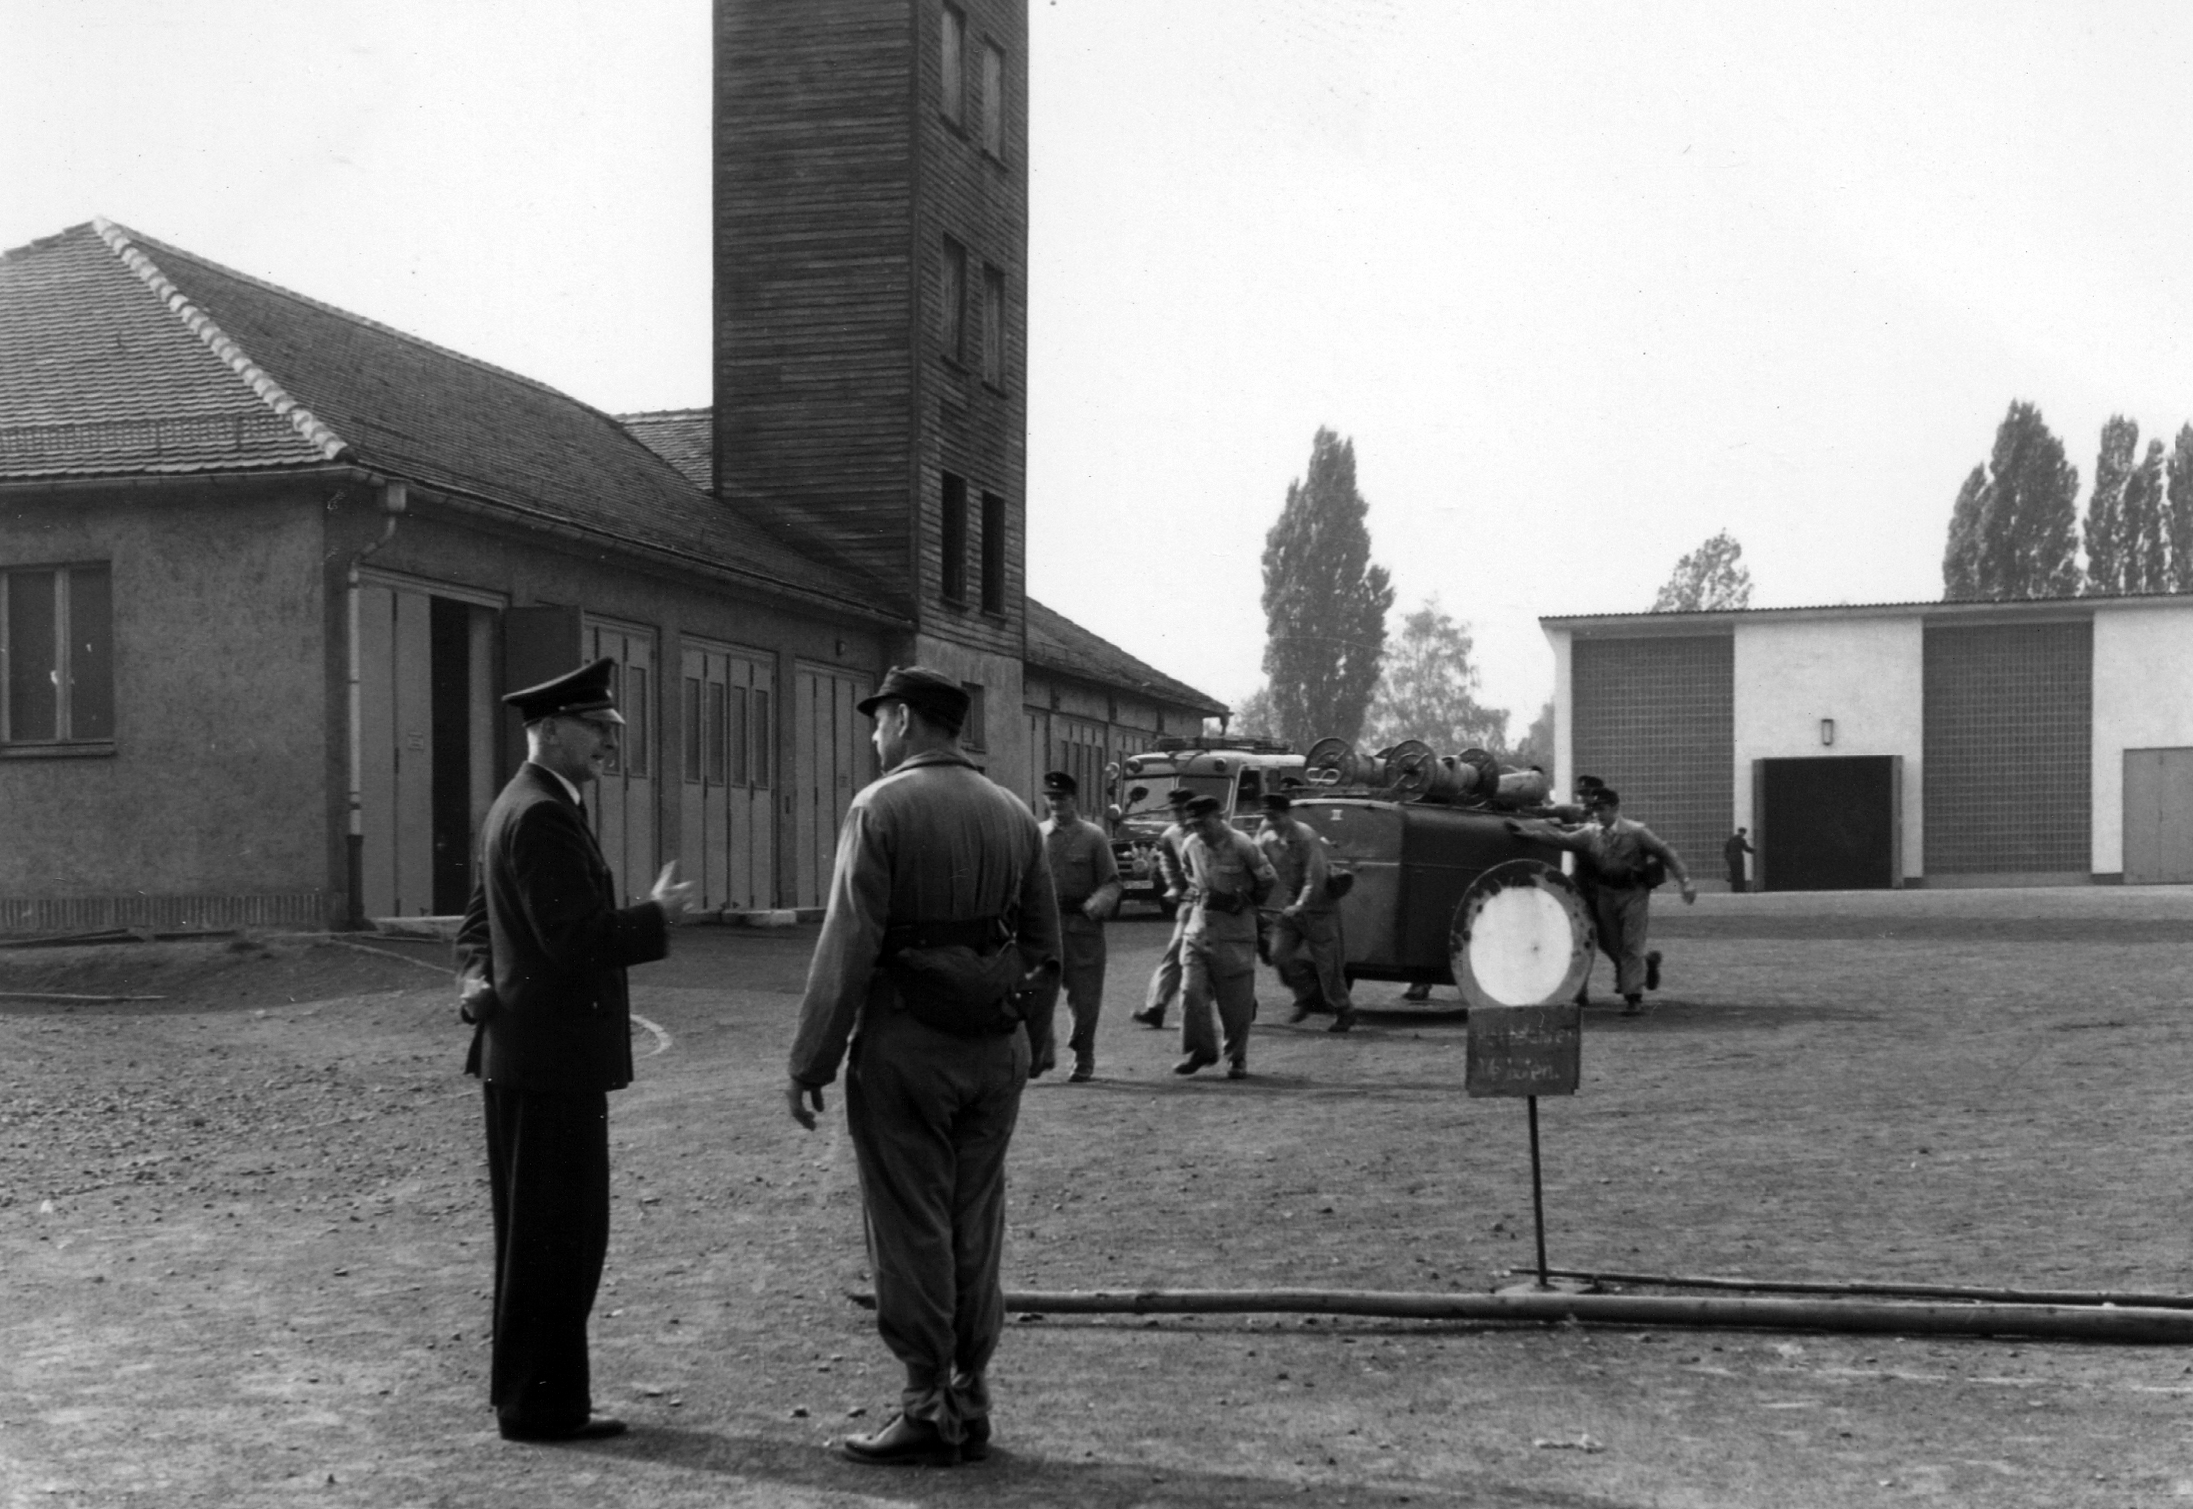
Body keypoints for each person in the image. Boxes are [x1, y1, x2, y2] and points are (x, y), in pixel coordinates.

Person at [784, 666, 1060, 1467]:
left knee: (910, 1226)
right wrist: (1032, 1040)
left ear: (904, 719)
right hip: (994, 1050)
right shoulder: (1015, 815)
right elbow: (1046, 945)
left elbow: (849, 944)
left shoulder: (881, 807)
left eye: (878, 720)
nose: (873, 735)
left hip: (908, 1046)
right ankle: (970, 1399)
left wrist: (811, 1059)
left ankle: (921, 1404)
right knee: (977, 1221)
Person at [455, 656, 693, 1443]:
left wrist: (475, 977)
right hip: (549, 1062)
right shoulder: (543, 814)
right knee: (558, 1237)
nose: (607, 744)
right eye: (595, 729)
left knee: (541, 1235)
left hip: (527, 1058)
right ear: (551, 729)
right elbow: (572, 938)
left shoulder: (517, 805)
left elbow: (475, 926)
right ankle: (542, 1406)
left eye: (610, 730)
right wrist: (653, 917)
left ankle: (533, 1397)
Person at [1508, 786, 1694, 1015]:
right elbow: (1560, 839)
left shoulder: (1637, 832)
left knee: (1631, 944)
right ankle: (1645, 969)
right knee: (1612, 944)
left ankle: (1633, 998)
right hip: (1605, 894)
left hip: (1633, 893)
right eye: (1595, 809)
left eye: (1602, 809)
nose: (1597, 814)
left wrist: (1685, 881)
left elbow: (1666, 852)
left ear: (1616, 808)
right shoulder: (1590, 833)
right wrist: (1527, 833)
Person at [1026, 770, 1122, 1081]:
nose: (1056, 803)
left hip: (1082, 929)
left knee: (1085, 999)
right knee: (1036, 993)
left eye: (1062, 798)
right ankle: (1042, 1052)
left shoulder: (1093, 837)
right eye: (1051, 798)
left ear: (1073, 799)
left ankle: (1084, 1057)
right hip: (1045, 928)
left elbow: (1112, 883)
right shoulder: (1036, 835)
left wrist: (1098, 904)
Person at [1174, 794, 1278, 1079]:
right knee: (1190, 991)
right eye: (1194, 825)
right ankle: (1202, 1050)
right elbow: (1188, 873)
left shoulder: (1243, 845)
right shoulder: (1191, 845)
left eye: (1204, 823)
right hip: (1199, 930)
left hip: (1235, 933)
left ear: (1220, 816)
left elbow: (1268, 878)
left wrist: (1247, 902)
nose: (1200, 831)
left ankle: (1237, 1058)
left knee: (1236, 1002)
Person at [1254, 791, 1357, 1033]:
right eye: (1266, 816)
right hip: (1291, 903)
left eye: (1275, 816)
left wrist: (1300, 905)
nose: (1271, 821)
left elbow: (1315, 878)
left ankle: (1344, 1010)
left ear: (1287, 814)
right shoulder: (1265, 833)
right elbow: (1255, 861)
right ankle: (1306, 997)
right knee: (1277, 953)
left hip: (1318, 905)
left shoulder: (1306, 836)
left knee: (1327, 965)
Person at [1130, 787, 1196, 1030]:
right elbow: (1168, 864)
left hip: (1219, 906)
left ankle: (1242, 1001)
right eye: (1174, 810)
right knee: (1175, 954)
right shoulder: (1171, 835)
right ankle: (1156, 1007)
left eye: (1182, 810)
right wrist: (1174, 888)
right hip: (1191, 905)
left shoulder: (1207, 832)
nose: (1178, 815)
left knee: (1221, 961)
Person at [1724, 826, 1755, 893]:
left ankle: (1734, 889)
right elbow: (1746, 849)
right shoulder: (1741, 840)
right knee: (1740, 875)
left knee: (1733, 874)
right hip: (1738, 859)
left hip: (1731, 859)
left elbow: (1726, 850)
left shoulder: (1731, 839)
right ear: (1743, 833)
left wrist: (1728, 859)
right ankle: (1741, 889)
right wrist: (1754, 851)